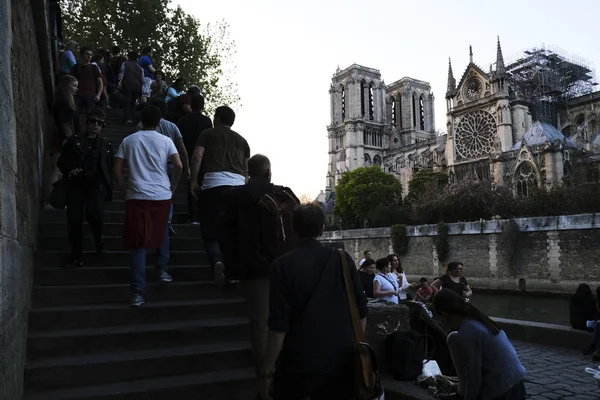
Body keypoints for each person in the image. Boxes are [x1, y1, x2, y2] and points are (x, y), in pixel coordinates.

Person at [259, 204, 368, 400]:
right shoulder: (343, 259)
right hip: (341, 360)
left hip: (298, 363)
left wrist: (267, 372)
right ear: (322, 229)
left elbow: (278, 326)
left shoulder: (281, 266)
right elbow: (361, 312)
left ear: (294, 230)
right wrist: (356, 347)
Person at [219, 154, 299, 394]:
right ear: (269, 172)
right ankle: (287, 375)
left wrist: (231, 268)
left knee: (260, 325)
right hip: (285, 267)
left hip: (254, 269)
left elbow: (225, 235)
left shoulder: (235, 196)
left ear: (248, 172)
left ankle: (265, 380)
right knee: (287, 320)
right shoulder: (284, 193)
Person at [113, 105, 183, 307]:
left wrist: (122, 189)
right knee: (162, 232)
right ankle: (161, 270)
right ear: (160, 122)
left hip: (136, 195)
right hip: (161, 194)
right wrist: (172, 186)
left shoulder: (129, 140)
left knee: (137, 242)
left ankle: (137, 292)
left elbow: (117, 167)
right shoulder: (166, 140)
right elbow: (178, 165)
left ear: (141, 121)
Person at [189, 106, 250, 282]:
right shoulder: (243, 141)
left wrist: (193, 181)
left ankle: (216, 261)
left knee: (210, 229)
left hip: (213, 185)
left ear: (217, 118)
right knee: (233, 231)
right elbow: (246, 170)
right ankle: (232, 272)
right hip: (238, 186)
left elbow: (197, 156)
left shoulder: (207, 134)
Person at [431, 289, 527, 400]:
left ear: (444, 315)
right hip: (516, 384)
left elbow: (474, 377)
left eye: (440, 320)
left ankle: (460, 394)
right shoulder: (478, 320)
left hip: (502, 391)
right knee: (452, 338)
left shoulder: (468, 332)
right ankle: (460, 393)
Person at [57, 108, 113, 268]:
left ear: (103, 126)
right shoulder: (74, 140)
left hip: (97, 184)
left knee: (94, 213)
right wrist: (70, 170)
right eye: (93, 121)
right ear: (87, 122)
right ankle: (76, 256)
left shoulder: (106, 144)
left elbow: (109, 168)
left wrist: (109, 187)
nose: (95, 125)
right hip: (76, 183)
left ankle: (99, 239)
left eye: (99, 123)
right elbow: (61, 161)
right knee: (74, 219)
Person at [177, 94, 213, 224]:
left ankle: (192, 216)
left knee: (190, 184)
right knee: (201, 184)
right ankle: (200, 215)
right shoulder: (207, 121)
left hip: (187, 154)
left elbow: (179, 138)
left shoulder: (184, 119)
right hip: (203, 156)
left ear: (191, 104)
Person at [70, 47, 103, 133]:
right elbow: (70, 81)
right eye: (87, 54)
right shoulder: (76, 67)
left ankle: (89, 134)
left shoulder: (94, 68)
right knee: (74, 115)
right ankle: (78, 133)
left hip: (91, 96)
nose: (89, 56)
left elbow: (100, 82)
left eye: (91, 55)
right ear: (82, 55)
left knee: (91, 117)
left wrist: (98, 94)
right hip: (77, 95)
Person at [118, 51, 144, 124]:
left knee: (127, 102)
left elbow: (121, 73)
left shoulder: (125, 64)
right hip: (137, 87)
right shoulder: (140, 68)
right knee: (132, 103)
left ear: (129, 57)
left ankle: (127, 118)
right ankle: (132, 118)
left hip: (127, 85)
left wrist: (119, 82)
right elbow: (142, 79)